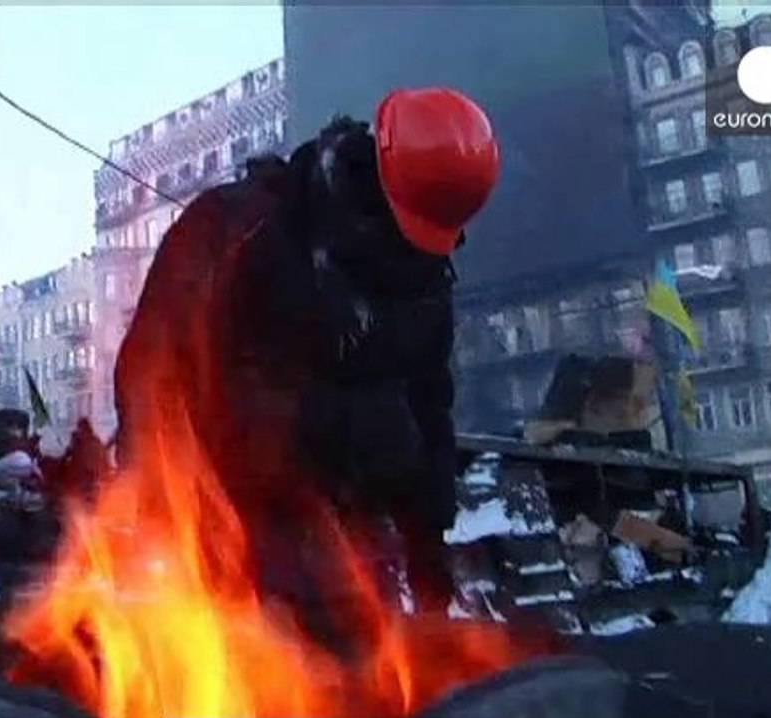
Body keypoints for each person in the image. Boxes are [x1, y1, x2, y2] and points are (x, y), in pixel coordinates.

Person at [114, 88, 500, 621]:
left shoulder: (422, 279)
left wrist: (428, 539)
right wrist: (171, 521)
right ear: (378, 183)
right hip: (231, 545)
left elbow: (430, 404)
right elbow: (152, 376)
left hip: (353, 553)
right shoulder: (238, 229)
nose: (411, 254)